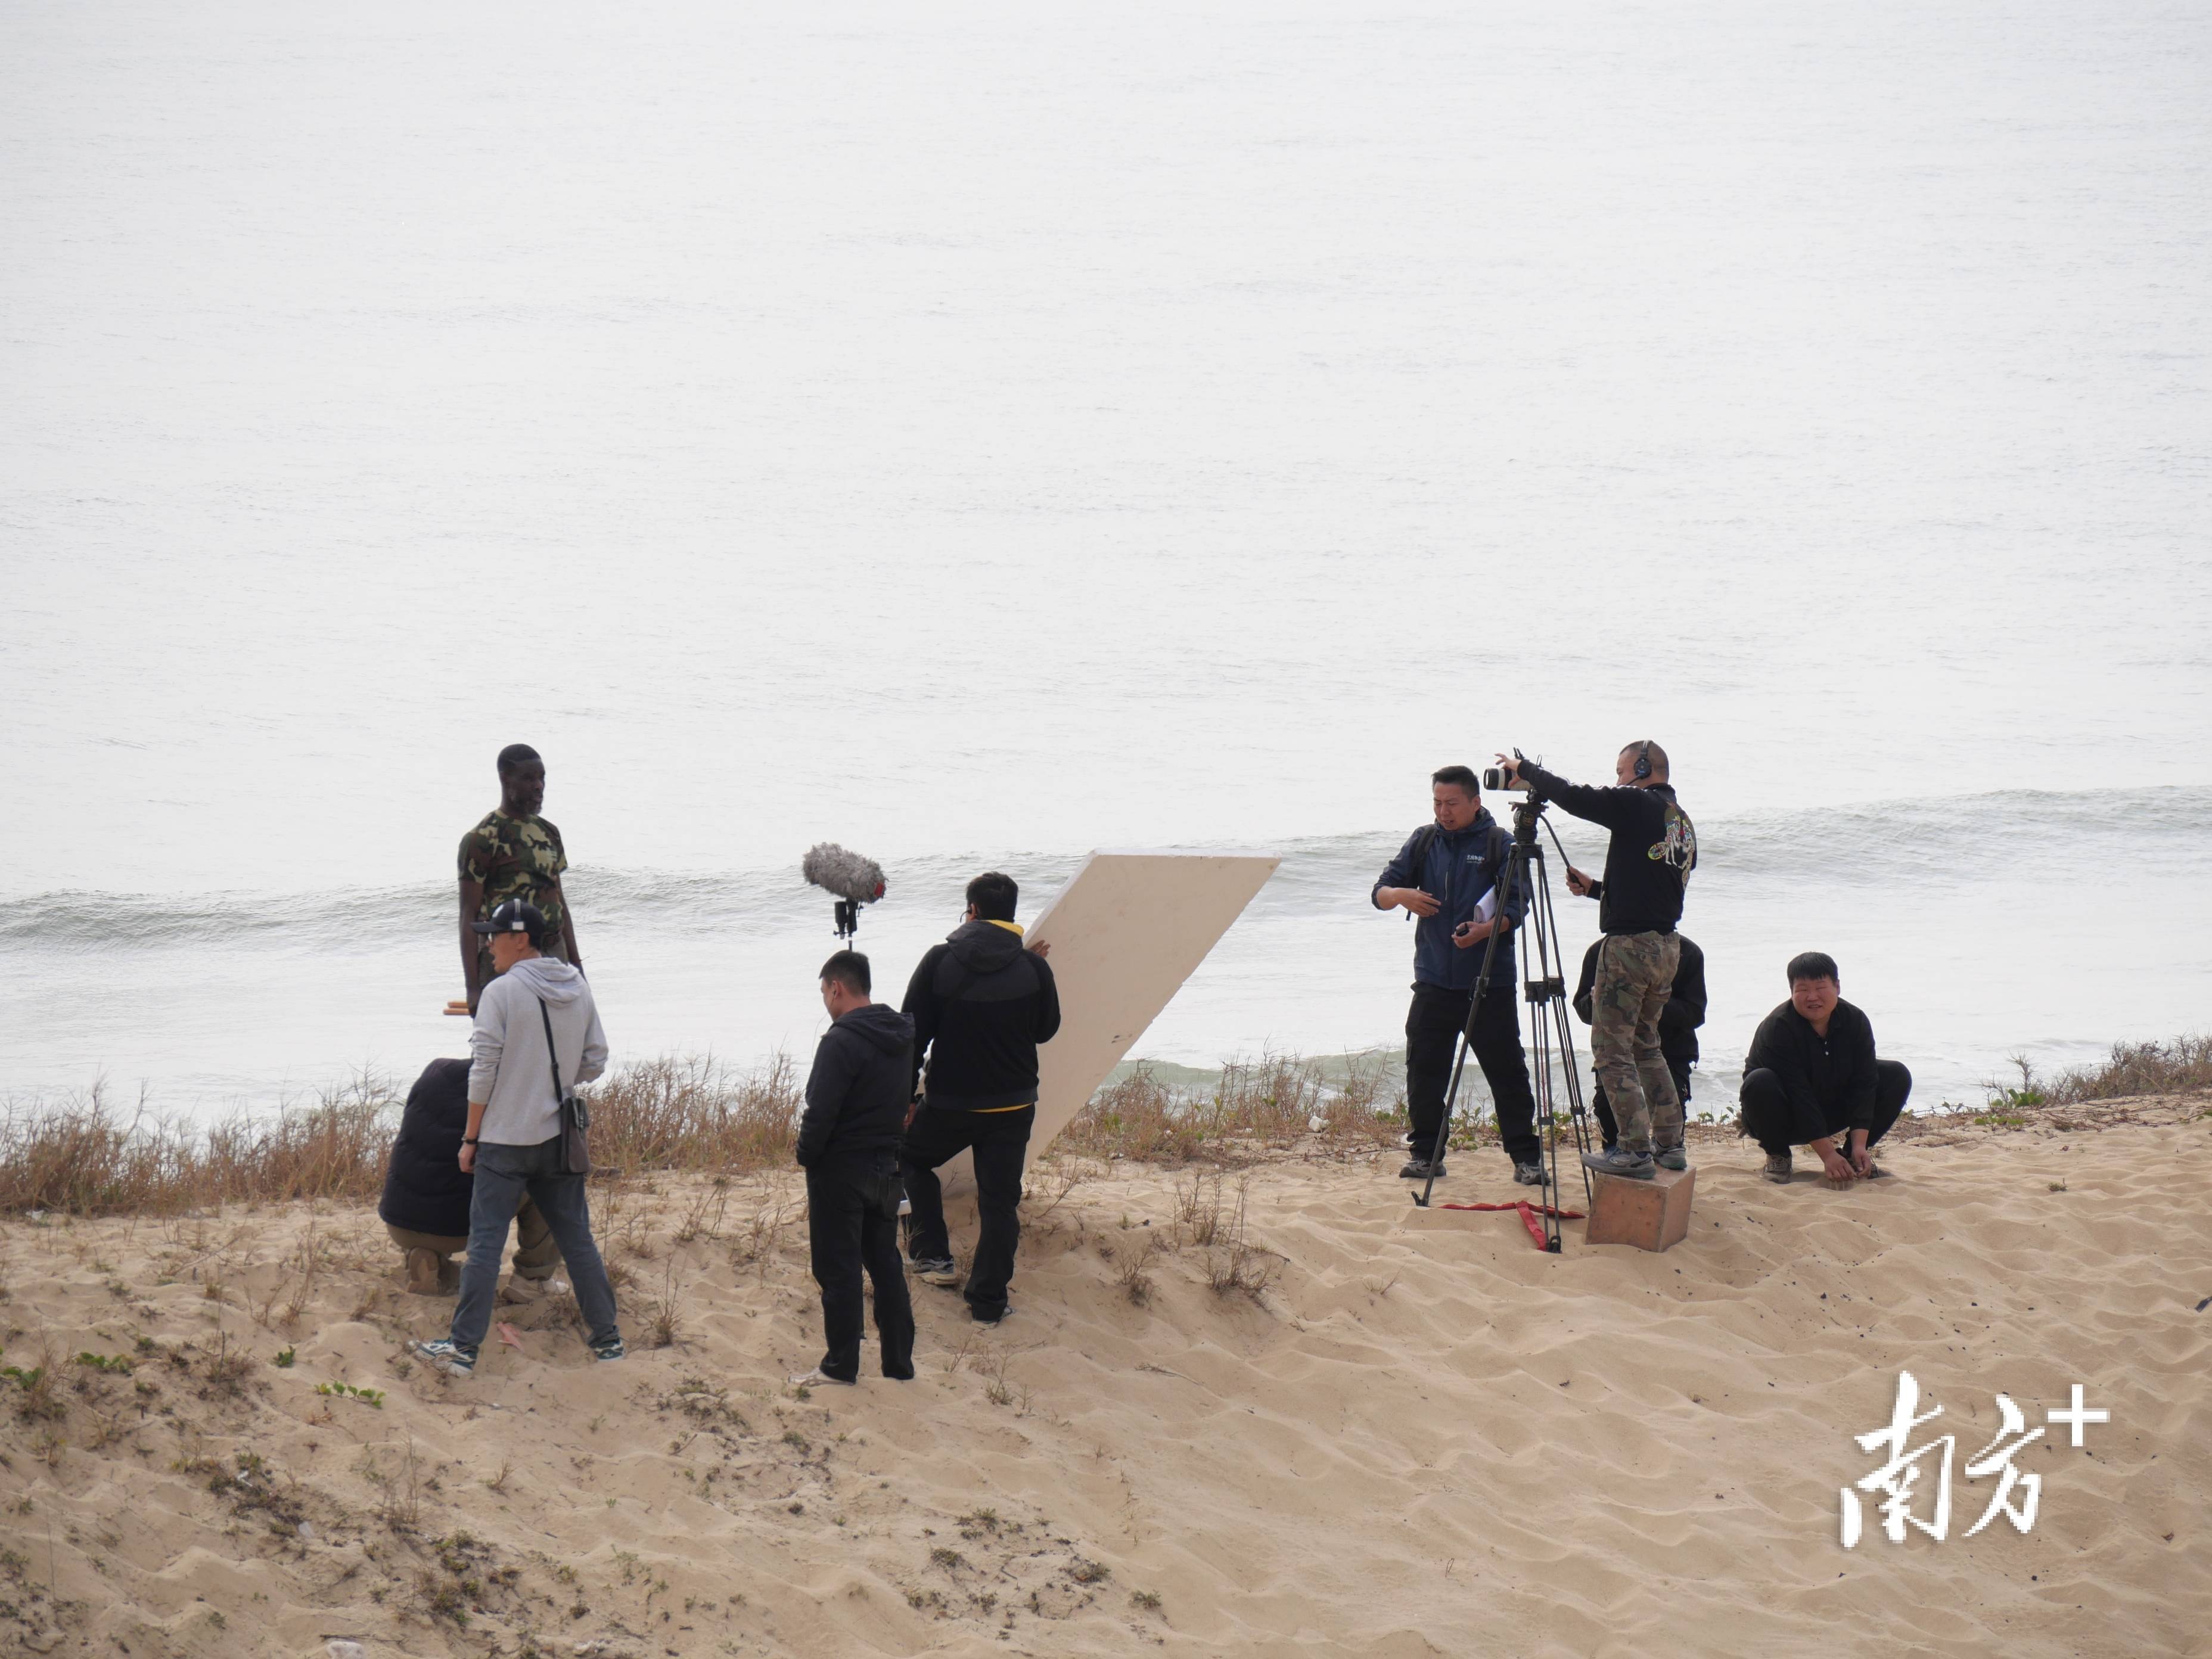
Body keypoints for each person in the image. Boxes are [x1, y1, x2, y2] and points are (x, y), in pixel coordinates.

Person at [412, 899, 623, 1377]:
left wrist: (470, 1138)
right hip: (559, 1136)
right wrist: (556, 1083)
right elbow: (596, 1059)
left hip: (506, 1140)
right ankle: (608, 1339)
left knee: (486, 1244)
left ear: (522, 939)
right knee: (577, 1241)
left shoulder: (501, 993)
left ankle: (464, 1350)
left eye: (495, 935)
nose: (487, 946)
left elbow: (483, 1072)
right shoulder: (576, 987)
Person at [1496, 742, 1696, 1181]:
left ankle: (1633, 1150)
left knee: (1611, 1050)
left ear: (1643, 769)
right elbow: (1654, 893)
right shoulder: (1678, 820)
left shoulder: (1637, 803)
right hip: (1666, 946)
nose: (1619, 779)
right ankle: (1670, 1144)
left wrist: (1525, 769)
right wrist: (1595, 891)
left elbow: (1577, 796)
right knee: (1646, 1045)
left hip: (1629, 949)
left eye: (1623, 771)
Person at [899, 871, 1061, 1325]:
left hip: (951, 1103)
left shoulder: (938, 961)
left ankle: (933, 1257)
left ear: (971, 911)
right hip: (1012, 1107)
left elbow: (911, 1036)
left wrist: (908, 1098)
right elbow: (1046, 1031)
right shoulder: (1032, 968)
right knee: (1000, 1201)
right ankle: (988, 1302)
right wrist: (1025, 970)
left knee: (910, 1158)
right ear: (1011, 916)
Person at [1371, 765, 1539, 1183]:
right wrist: (1401, 896)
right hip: (1432, 980)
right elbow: (1380, 892)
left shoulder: (1499, 843)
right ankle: (1427, 1155)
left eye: (1452, 804)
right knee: (1424, 1071)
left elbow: (1517, 905)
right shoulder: (1424, 841)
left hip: (1489, 981)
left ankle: (1526, 1159)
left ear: (1475, 802)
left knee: (1508, 1073)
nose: (1443, 812)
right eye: (1437, 803)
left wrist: (1486, 929)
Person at [790, 950, 918, 1387]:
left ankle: (841, 1366)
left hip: (841, 1168)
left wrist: (807, 1155)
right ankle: (899, 1365)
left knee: (838, 1268)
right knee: (884, 1263)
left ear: (837, 987)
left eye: (825, 992)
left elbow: (820, 1110)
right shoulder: (901, 1033)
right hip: (886, 1162)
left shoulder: (840, 1039)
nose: (826, 1000)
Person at [378, 1056, 562, 1296]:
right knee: (552, 1176)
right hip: (460, 1232)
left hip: (399, 1224)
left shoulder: (436, 1070)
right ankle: (533, 1280)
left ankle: (430, 1258)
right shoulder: (518, 1090)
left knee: (432, 1167)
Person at [1739, 952, 1913, 1186]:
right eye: (1802, 990)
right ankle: (1778, 1156)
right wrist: (1827, 1155)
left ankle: (1854, 1157)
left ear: (1837, 987)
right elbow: (1798, 1092)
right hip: (1781, 1118)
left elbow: (1865, 1082)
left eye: (1821, 988)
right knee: (1760, 1080)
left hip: (1829, 1110)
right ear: (1791, 991)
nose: (1812, 997)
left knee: (1895, 1074)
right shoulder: (1778, 1028)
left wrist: (1860, 1145)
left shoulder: (1855, 1020)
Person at [458, 744, 583, 1015]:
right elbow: (468, 915)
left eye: (542, 778)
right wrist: (472, 988)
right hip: (506, 957)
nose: (539, 786)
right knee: (504, 1044)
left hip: (553, 950)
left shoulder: (549, 833)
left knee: (560, 1036)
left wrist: (576, 965)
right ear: (506, 779)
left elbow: (559, 902)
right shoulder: (482, 839)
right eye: (528, 779)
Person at [1572, 934, 1707, 1151]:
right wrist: (1601, 1001)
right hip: (1617, 1052)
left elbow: (1695, 1014)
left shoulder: (1686, 952)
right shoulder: (1601, 951)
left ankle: (1667, 1155)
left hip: (1670, 1050)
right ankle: (1617, 1163)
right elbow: (1582, 1010)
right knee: (1607, 1110)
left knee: (1670, 1119)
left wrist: (1648, 999)